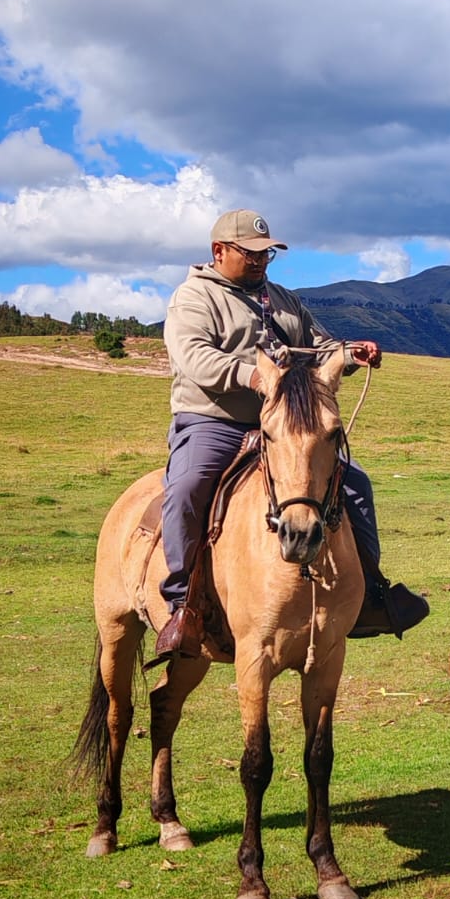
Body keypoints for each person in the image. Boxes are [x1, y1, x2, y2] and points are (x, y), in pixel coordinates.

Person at [154, 208, 428, 658]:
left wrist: (353, 353)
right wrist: (253, 377)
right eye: (251, 253)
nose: (261, 262)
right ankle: (183, 606)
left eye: (267, 254)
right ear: (219, 251)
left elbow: (318, 347)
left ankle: (369, 595)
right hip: (215, 421)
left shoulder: (283, 300)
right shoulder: (193, 298)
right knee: (187, 488)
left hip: (286, 426)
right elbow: (193, 357)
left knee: (354, 484)